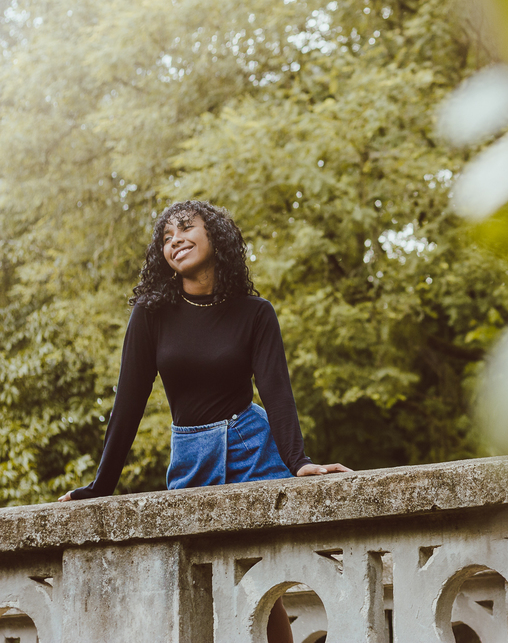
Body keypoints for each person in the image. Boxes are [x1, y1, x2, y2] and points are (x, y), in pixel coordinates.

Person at [57, 200, 351, 643]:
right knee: (206, 583)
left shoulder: (255, 313)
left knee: (263, 580)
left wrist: (299, 460)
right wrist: (100, 486)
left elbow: (276, 390)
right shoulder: (151, 315)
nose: (175, 242)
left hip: (252, 443)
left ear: (215, 234)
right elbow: (129, 403)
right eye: (166, 239)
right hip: (192, 454)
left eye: (185, 230)